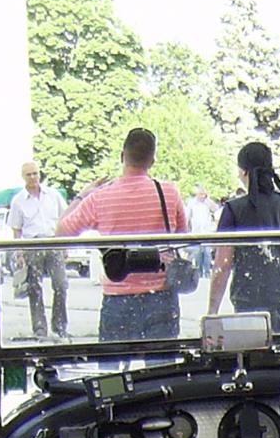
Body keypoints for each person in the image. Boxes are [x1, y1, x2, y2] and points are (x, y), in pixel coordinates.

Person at [58, 127, 188, 341]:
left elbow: (61, 231)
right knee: (162, 369)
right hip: (161, 294)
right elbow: (183, 236)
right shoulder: (169, 192)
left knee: (113, 368)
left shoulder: (99, 198)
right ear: (152, 161)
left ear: (122, 156)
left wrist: (82, 195)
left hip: (118, 296)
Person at [206, 141, 280, 335]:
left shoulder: (234, 210)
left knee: (253, 362)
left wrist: (212, 312)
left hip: (248, 302)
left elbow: (223, 264)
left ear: (243, 171)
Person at [5, 161, 68, 341]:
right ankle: (40, 329)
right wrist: (19, 253)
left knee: (61, 285)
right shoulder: (18, 201)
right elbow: (16, 229)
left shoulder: (53, 195)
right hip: (32, 244)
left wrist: (65, 246)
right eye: (28, 175)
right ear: (23, 177)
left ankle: (60, 327)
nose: (33, 178)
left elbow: (64, 218)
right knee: (34, 288)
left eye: (35, 174)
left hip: (53, 242)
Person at [185, 184, 219, 279]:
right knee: (198, 253)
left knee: (207, 253)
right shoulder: (192, 203)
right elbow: (187, 216)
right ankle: (199, 272)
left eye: (204, 194)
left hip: (207, 232)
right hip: (196, 232)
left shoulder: (207, 203)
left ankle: (207, 272)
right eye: (201, 194)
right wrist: (186, 229)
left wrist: (208, 199)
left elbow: (216, 208)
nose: (202, 196)